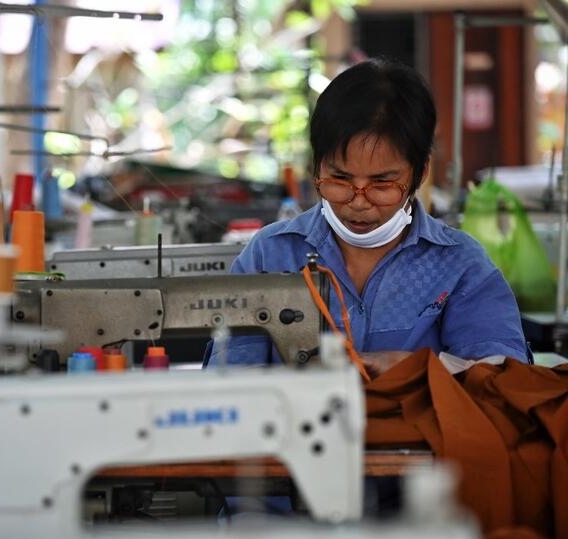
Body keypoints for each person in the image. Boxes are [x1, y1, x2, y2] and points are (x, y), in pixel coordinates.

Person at [208, 58, 529, 376]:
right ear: (316, 167)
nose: (358, 202)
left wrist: (418, 370)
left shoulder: (460, 265)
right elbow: (230, 386)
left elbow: (504, 382)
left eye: (382, 184)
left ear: (421, 173)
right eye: (339, 180)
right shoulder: (271, 254)